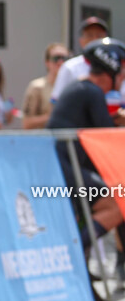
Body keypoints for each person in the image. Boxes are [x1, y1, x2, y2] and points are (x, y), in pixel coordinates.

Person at [46, 37, 125, 249]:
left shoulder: (82, 89)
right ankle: (73, 254)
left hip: (60, 165)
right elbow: (106, 134)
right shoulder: (92, 91)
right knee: (117, 204)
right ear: (112, 71)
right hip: (63, 167)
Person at [50, 16, 113, 103]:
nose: (95, 39)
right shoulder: (69, 67)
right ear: (81, 41)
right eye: (90, 35)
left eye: (99, 35)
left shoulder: (117, 69)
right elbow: (56, 103)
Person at [21, 42, 68, 129]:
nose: (60, 62)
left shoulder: (72, 87)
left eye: (64, 58)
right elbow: (26, 123)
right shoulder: (37, 87)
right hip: (44, 139)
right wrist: (52, 117)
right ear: (47, 62)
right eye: (56, 58)